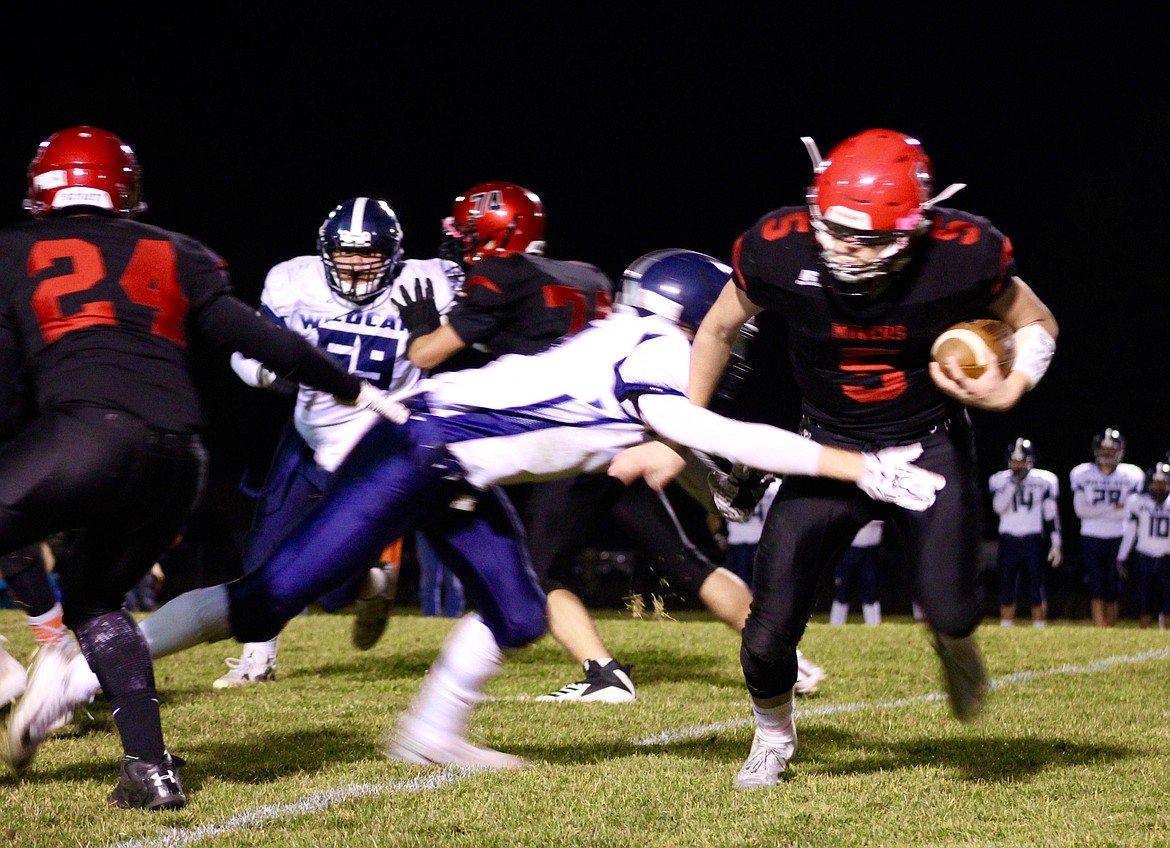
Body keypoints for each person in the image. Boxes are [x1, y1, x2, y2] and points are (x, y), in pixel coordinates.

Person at [60, 248, 946, 776]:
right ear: (686, 309)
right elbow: (686, 423)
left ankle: (431, 733)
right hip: (420, 452)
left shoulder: (628, 341)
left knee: (517, 608)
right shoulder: (654, 348)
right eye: (722, 317)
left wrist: (716, 479)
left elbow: (650, 449)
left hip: (448, 463)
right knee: (263, 601)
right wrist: (853, 463)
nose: (734, 334)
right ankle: (76, 675)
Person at [0, 126, 408, 810]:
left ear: (42, 189)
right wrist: (359, 389)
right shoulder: (176, 250)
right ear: (124, 192)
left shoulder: (14, 250)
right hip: (180, 459)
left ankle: (7, 678)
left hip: (82, 434)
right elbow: (260, 338)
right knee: (97, 604)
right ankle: (148, 771)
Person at [679, 128, 1059, 789]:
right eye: (837, 230)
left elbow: (1038, 323)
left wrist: (1015, 382)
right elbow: (717, 326)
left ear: (917, 227)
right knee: (767, 632)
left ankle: (952, 639)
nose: (848, 250)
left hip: (926, 443)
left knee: (951, 609)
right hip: (827, 449)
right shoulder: (777, 245)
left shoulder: (962, 254)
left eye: (871, 238)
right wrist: (690, 422)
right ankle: (773, 738)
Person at [211, 197, 459, 688]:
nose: (356, 265)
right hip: (310, 433)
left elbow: (495, 307)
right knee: (264, 545)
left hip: (379, 442)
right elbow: (248, 347)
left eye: (370, 254)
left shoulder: (430, 280)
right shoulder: (293, 281)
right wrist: (264, 372)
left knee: (331, 591)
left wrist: (448, 300)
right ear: (325, 252)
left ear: (394, 255)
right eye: (345, 254)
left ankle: (369, 582)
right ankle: (257, 659)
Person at [1070, 429, 1144, 627]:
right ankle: (1099, 624)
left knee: (1113, 584)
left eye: (1112, 451)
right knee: (1095, 582)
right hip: (1091, 534)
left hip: (1118, 535)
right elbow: (1080, 510)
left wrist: (1098, 509)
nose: (1107, 455)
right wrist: (1114, 508)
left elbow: (1129, 511)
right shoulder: (1082, 473)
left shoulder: (1132, 474)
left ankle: (1109, 625)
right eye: (1104, 451)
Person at [989, 438, 1062, 627]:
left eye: (1022, 461)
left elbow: (1050, 514)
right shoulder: (999, 479)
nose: (1018, 465)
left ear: (1030, 461)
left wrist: (1056, 542)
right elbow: (998, 507)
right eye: (1015, 461)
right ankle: (1006, 625)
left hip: (1033, 540)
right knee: (1006, 585)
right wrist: (1013, 484)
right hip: (1009, 539)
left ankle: (1039, 626)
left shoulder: (1044, 480)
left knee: (1036, 586)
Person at [1117, 461, 1170, 630]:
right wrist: (1122, 556)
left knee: (1168, 605)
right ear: (1148, 484)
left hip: (1167, 557)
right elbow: (1130, 531)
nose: (1160, 488)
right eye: (1156, 483)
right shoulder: (1137, 501)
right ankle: (1143, 636)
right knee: (1144, 604)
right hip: (1144, 556)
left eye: (1163, 483)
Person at [829, 519, 886, 626]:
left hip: (871, 551)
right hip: (849, 549)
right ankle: (835, 624)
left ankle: (873, 624)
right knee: (842, 589)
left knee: (871, 589)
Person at [415, 532, 465, 617]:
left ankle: (452, 616)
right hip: (426, 531)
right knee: (429, 580)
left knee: (452, 580)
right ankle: (429, 616)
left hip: (451, 530)